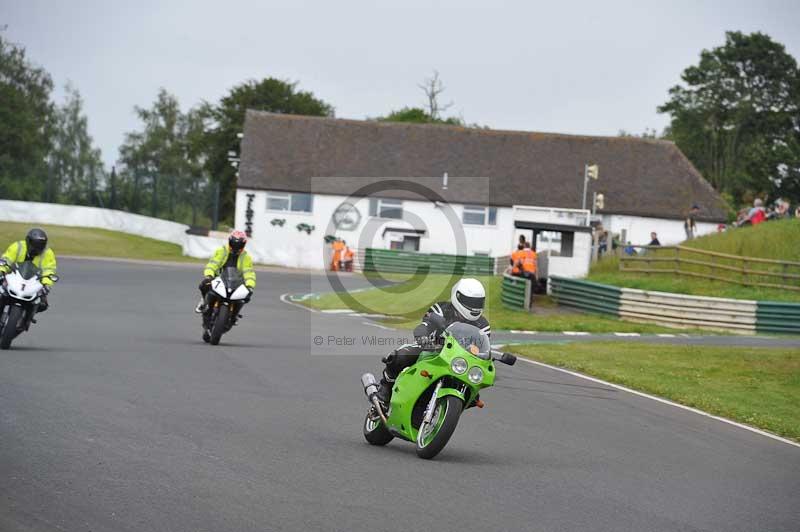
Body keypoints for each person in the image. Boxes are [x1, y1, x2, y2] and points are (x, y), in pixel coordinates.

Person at [374, 278, 491, 407]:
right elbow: (425, 325)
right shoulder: (441, 309)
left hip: (459, 361)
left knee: (474, 392)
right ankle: (385, 387)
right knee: (401, 356)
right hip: (431, 349)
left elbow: (482, 348)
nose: (475, 306)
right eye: (470, 301)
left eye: (478, 302)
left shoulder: (483, 325)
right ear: (457, 296)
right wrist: (423, 336)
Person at [195, 230, 256, 325]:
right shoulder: (221, 251)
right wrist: (209, 275)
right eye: (233, 244)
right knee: (204, 284)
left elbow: (249, 273)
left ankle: (234, 315)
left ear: (243, 245)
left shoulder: (246, 257)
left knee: (246, 296)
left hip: (236, 282)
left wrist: (250, 286)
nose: (236, 247)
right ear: (229, 242)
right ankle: (204, 302)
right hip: (218, 279)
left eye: (239, 245)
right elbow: (212, 264)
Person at [0, 228, 57, 314]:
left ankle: (26, 320)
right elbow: (6, 259)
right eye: (35, 245)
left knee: (42, 304)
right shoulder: (18, 246)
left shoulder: (48, 253)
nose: (38, 248)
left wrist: (47, 284)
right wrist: (2, 271)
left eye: (41, 245)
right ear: (28, 241)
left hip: (33, 281)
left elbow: (49, 270)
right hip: (12, 277)